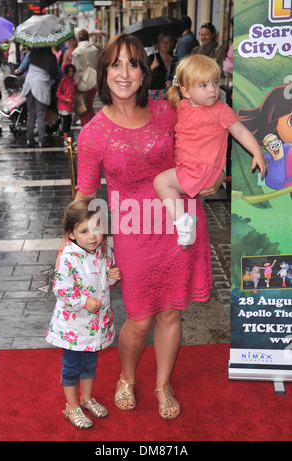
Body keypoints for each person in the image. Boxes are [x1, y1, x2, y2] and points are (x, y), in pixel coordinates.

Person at [55, 33, 227, 421]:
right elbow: (86, 194)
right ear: (103, 72)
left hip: (180, 222)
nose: (125, 72)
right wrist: (65, 242)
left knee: (171, 314)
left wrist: (214, 175)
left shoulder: (168, 111)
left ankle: (162, 384)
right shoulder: (94, 133)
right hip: (134, 233)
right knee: (140, 316)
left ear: (143, 71)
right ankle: (127, 378)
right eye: (116, 64)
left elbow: (207, 132)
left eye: (133, 63)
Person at [153, 55, 266, 248]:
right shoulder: (182, 107)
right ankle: (184, 223)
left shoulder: (220, 110)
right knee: (165, 183)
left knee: (160, 182)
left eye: (215, 82)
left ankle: (183, 223)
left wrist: (257, 152)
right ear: (186, 91)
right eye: (204, 85)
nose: (213, 89)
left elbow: (240, 132)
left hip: (201, 170)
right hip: (193, 169)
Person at [46, 199, 121, 429]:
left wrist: (112, 277)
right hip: (74, 327)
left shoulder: (104, 252)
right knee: (72, 366)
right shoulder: (68, 258)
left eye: (97, 228)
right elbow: (61, 291)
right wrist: (83, 301)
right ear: (71, 235)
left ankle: (87, 399)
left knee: (90, 364)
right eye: (84, 230)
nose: (92, 236)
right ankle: (71, 407)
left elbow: (102, 281)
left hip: (96, 324)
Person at [21, 47, 57, 147]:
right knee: (41, 114)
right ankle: (42, 140)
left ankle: (29, 139)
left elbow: (23, 66)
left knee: (31, 113)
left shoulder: (32, 54)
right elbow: (54, 73)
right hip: (41, 86)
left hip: (29, 84)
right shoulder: (51, 57)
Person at [72, 29, 99, 126]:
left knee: (82, 109)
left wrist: (75, 83)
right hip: (93, 82)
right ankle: (93, 127)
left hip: (81, 84)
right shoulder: (95, 50)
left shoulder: (77, 52)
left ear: (78, 38)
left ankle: (86, 130)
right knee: (90, 106)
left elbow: (77, 71)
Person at [148, 32, 178, 100]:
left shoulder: (175, 60)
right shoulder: (152, 58)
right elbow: (142, 77)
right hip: (153, 95)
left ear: (171, 43)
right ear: (158, 44)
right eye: (162, 41)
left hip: (170, 95)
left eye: (167, 41)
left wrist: (173, 83)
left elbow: (180, 77)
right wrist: (152, 67)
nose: (165, 44)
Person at [56, 63, 76, 141]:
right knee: (66, 123)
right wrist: (65, 99)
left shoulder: (73, 81)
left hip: (70, 106)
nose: (71, 73)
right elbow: (58, 93)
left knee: (69, 122)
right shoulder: (63, 81)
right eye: (69, 71)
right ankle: (66, 139)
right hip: (64, 106)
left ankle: (68, 138)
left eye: (72, 71)